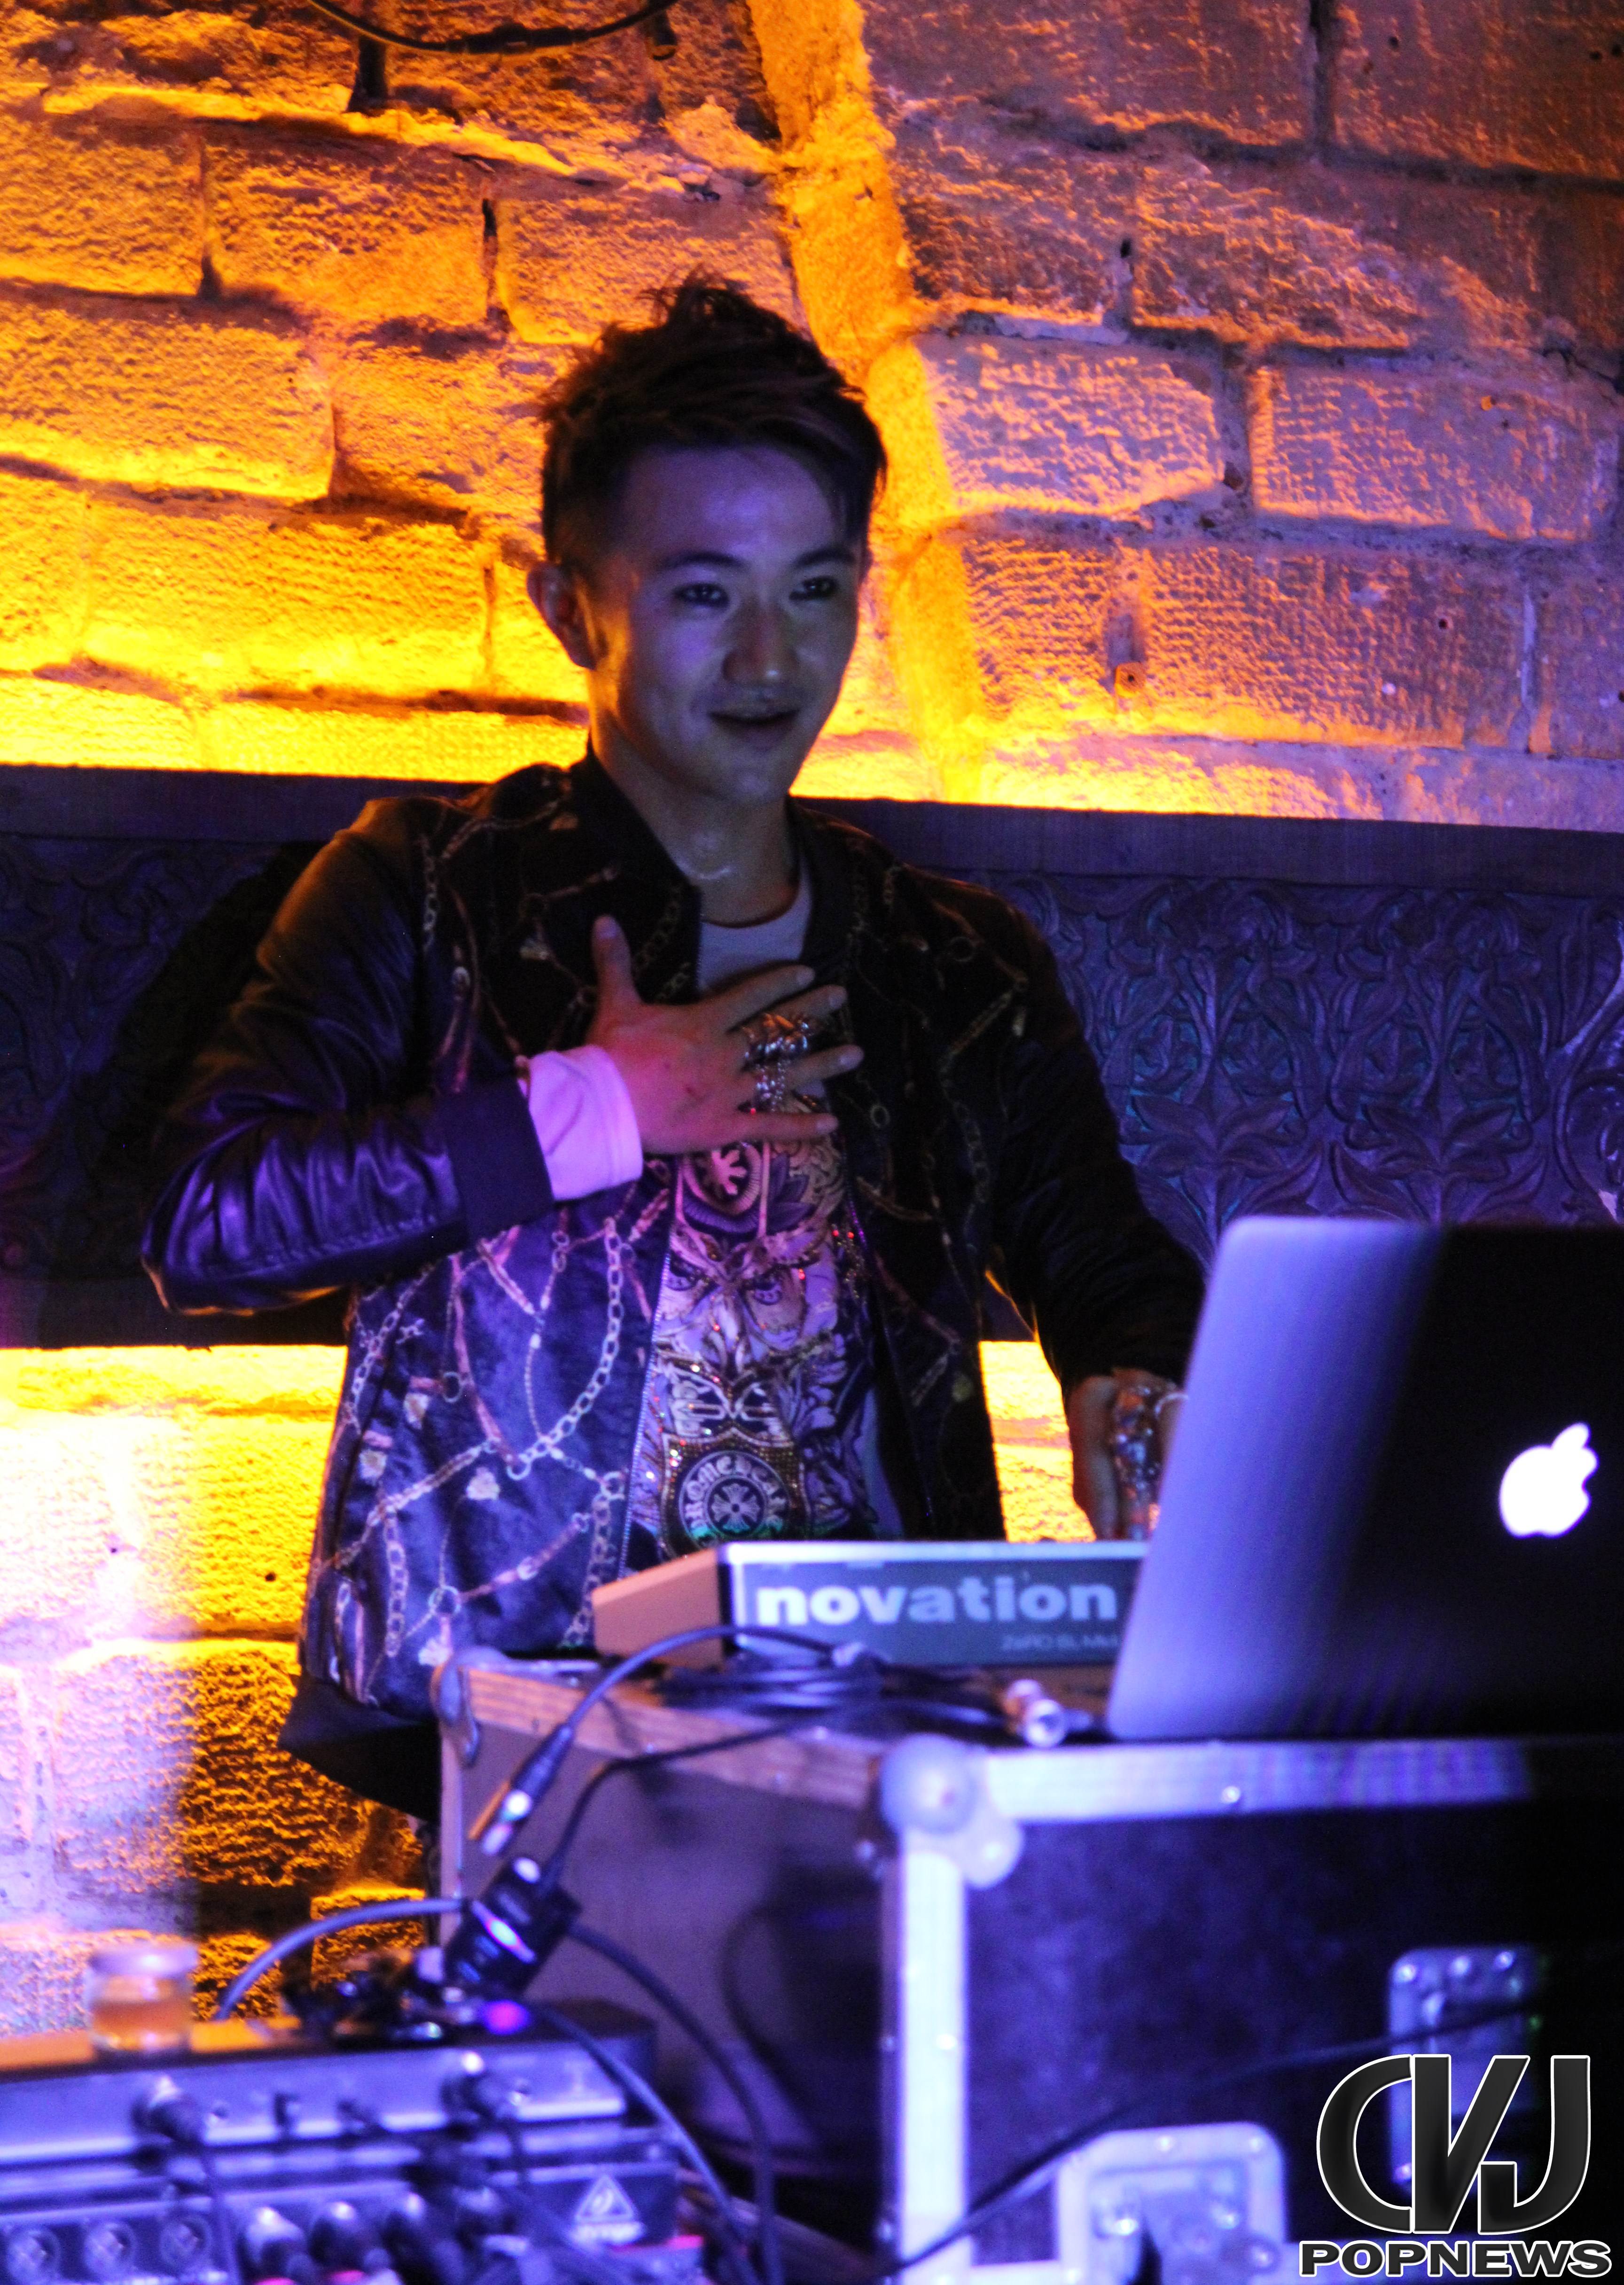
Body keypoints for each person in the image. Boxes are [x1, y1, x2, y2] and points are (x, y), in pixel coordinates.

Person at [142, 278, 1203, 1818]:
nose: (771, 656)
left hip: (893, 1731)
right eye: (706, 595)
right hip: (532, 1727)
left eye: (816, 589)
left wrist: (1136, 1375)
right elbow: (210, 1219)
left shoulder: (951, 958)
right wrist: (596, 1108)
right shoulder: (431, 891)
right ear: (572, 606)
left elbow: (1107, 1262)